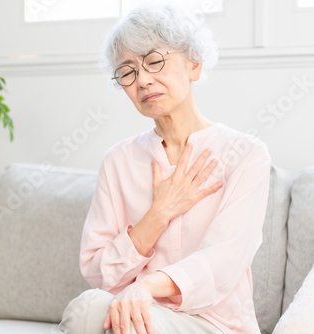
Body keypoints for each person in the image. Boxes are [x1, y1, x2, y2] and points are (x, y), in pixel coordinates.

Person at [58, 3, 271, 334]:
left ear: (194, 64)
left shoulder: (246, 154)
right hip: (135, 316)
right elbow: (99, 273)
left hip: (215, 324)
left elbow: (223, 260)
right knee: (89, 310)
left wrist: (145, 287)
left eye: (154, 61)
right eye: (128, 71)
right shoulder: (118, 161)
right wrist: (159, 213)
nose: (142, 80)